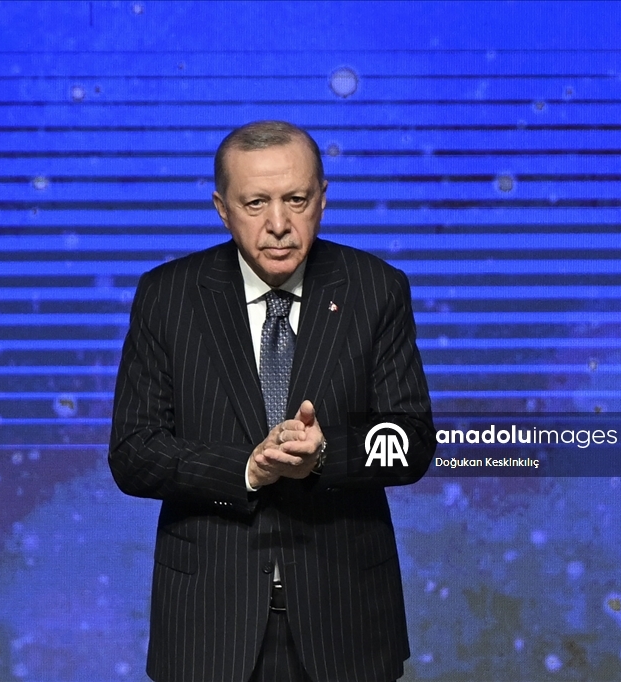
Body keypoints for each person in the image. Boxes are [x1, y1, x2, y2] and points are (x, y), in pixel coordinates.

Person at [109, 120, 435, 682]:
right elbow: (134, 452)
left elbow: (411, 442)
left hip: (347, 621)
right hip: (207, 626)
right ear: (222, 209)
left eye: (296, 200)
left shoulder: (377, 289)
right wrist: (248, 469)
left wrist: (325, 455)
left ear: (322, 199)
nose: (279, 224)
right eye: (256, 203)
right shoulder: (166, 296)